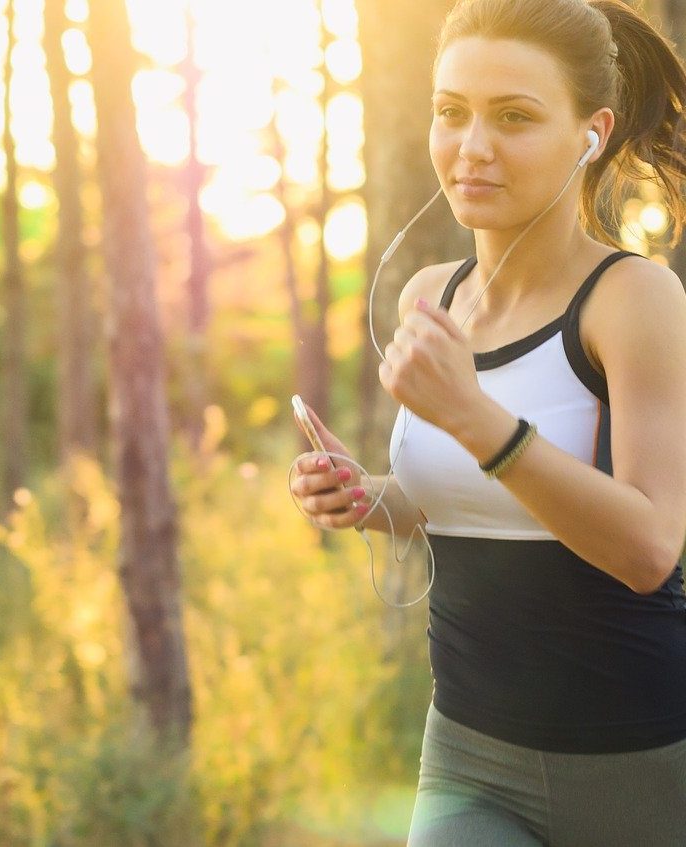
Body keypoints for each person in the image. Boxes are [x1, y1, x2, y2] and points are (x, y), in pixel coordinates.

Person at [290, 0, 686, 843]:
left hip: (639, 763)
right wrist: (369, 497)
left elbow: (650, 548)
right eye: (450, 112)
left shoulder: (633, 300)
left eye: (514, 117)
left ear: (591, 131)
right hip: (469, 755)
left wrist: (474, 417)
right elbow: (462, 501)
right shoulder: (428, 294)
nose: (472, 147)